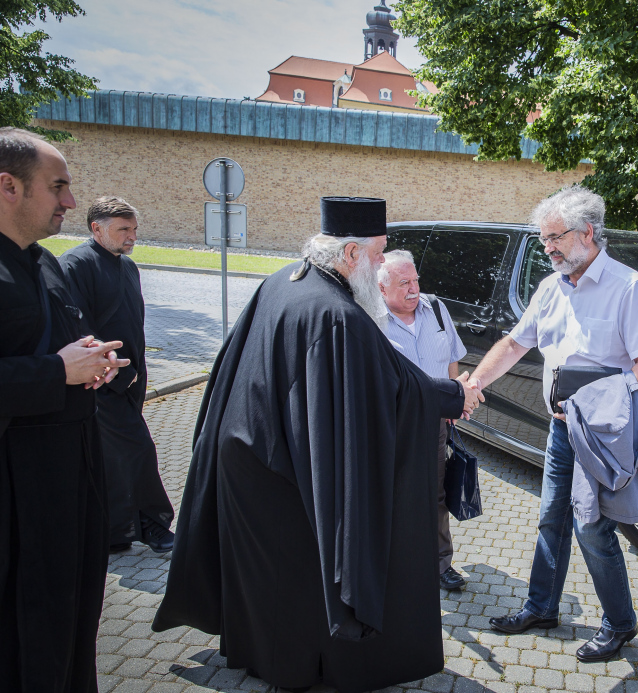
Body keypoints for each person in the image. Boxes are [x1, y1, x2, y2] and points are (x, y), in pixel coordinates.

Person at [152, 197, 483, 692]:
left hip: (249, 459)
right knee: (296, 579)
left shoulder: (286, 280)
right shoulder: (335, 314)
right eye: (377, 255)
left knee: (270, 582)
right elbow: (387, 387)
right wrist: (455, 394)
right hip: (281, 475)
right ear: (350, 254)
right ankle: (302, 667)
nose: (380, 264)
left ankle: (262, 655)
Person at [469, 186, 638, 662]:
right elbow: (516, 345)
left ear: (588, 233)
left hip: (603, 434)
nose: (548, 248)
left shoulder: (629, 287)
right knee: (551, 520)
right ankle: (541, 608)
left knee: (593, 529)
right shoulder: (549, 287)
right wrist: (473, 383)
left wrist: (597, 404)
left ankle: (619, 624)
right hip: (560, 429)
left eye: (554, 238)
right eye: (544, 241)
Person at [0, 127, 129, 692]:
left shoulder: (44, 264)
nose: (70, 203)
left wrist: (92, 366)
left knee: (72, 620)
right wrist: (58, 372)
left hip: (72, 478)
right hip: (15, 492)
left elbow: (64, 344)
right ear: (8, 186)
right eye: (57, 187)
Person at [59, 197, 175, 554]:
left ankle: (113, 533)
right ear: (97, 228)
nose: (132, 237)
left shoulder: (127, 266)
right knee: (137, 449)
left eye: (134, 229)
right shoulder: (75, 265)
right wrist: (106, 366)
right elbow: (77, 324)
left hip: (130, 378)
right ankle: (155, 525)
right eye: (123, 229)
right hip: (100, 380)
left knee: (111, 456)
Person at [377, 249, 469, 591]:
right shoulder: (371, 320)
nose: (414, 288)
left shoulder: (437, 310)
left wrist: (452, 403)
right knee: (392, 494)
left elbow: (452, 362)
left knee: (435, 494)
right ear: (382, 290)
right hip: (391, 425)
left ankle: (441, 564)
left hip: (433, 424)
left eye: (415, 280)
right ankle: (391, 563)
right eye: (404, 283)